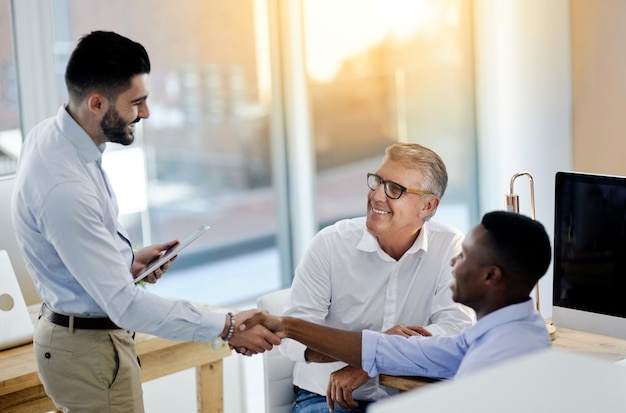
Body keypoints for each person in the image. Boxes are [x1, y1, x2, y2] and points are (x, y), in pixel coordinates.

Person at [10, 31, 280, 413]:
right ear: (97, 103)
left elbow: (76, 255)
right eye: (137, 102)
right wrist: (228, 325)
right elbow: (125, 305)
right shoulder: (64, 187)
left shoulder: (55, 136)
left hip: (86, 342)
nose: (147, 113)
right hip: (88, 353)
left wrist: (126, 262)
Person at [244, 211, 553, 411]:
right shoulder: (493, 335)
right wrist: (287, 325)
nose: (452, 263)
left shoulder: (499, 359)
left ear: (491, 276)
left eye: (464, 257)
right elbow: (383, 350)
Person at [279, 142, 475, 412]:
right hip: (327, 400)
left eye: (395, 189)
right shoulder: (329, 244)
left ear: (427, 205)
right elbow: (294, 337)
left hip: (411, 398)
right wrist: (380, 345)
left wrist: (375, 358)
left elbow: (457, 330)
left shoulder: (449, 245)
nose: (377, 196)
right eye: (378, 182)